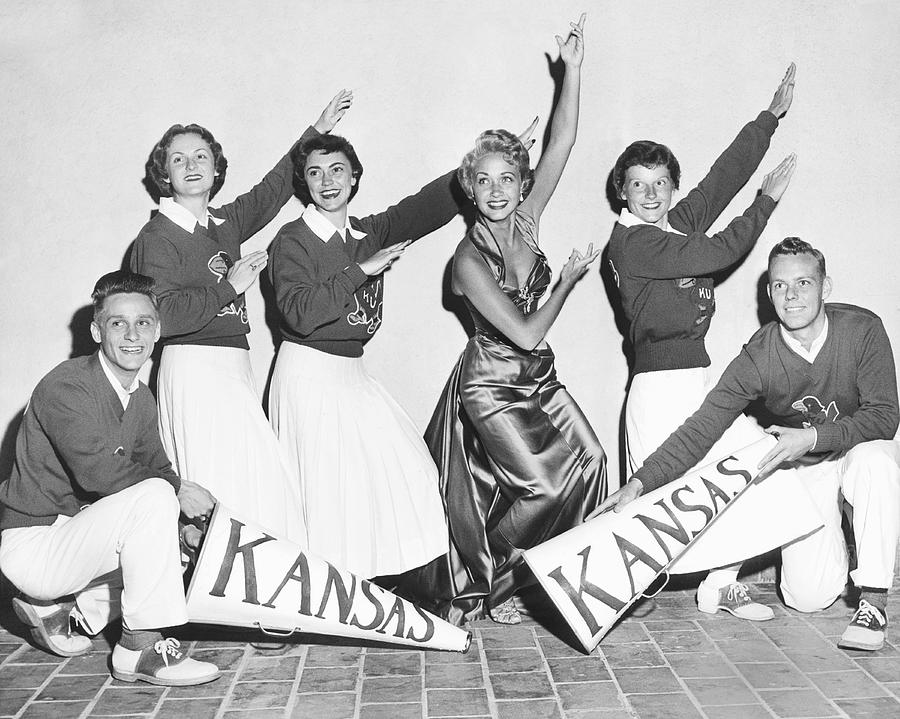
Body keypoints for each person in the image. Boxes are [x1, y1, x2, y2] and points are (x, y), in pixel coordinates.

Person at [400, 14, 605, 626]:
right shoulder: (466, 261)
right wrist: (565, 281)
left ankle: (547, 576)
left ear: (521, 186)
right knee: (540, 487)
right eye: (483, 180)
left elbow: (562, 140)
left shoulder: (526, 221)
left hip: (537, 378)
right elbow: (524, 331)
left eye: (508, 179)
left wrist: (572, 70)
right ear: (469, 187)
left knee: (590, 465)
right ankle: (493, 586)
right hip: (490, 383)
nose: (496, 190)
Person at [600, 238, 900, 651]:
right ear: (769, 292)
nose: (791, 296)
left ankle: (874, 599)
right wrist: (639, 483)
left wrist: (814, 436)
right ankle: (842, 533)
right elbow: (702, 427)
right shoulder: (760, 354)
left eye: (804, 283)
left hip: (852, 449)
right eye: (779, 286)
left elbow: (885, 417)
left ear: (825, 287)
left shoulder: (862, 329)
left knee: (878, 461)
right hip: (806, 466)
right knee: (808, 598)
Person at [605, 65, 798, 617]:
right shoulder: (632, 243)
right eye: (638, 183)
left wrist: (769, 118)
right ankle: (619, 584)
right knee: (658, 504)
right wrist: (765, 204)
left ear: (671, 187)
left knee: (745, 464)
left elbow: (720, 179)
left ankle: (719, 583)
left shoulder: (671, 223)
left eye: (660, 183)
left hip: (697, 375)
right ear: (623, 189)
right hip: (660, 386)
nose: (649, 193)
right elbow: (717, 253)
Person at [130, 91, 351, 543]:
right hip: (193, 369)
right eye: (178, 159)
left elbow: (273, 190)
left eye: (200, 155)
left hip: (234, 366)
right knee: (222, 493)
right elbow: (162, 317)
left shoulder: (223, 223)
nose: (191, 165)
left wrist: (318, 130)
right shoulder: (156, 236)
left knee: (258, 489)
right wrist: (230, 285)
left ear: (215, 167)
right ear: (164, 175)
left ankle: (261, 596)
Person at [0, 271, 221, 685]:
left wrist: (188, 526)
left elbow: (158, 468)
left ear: (157, 330)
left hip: (75, 539)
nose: (132, 333)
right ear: (96, 330)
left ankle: (73, 612)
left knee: (178, 548)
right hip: (35, 543)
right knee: (157, 498)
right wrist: (176, 493)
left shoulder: (140, 397)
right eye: (118, 323)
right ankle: (139, 648)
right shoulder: (65, 384)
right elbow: (98, 471)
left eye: (143, 322)